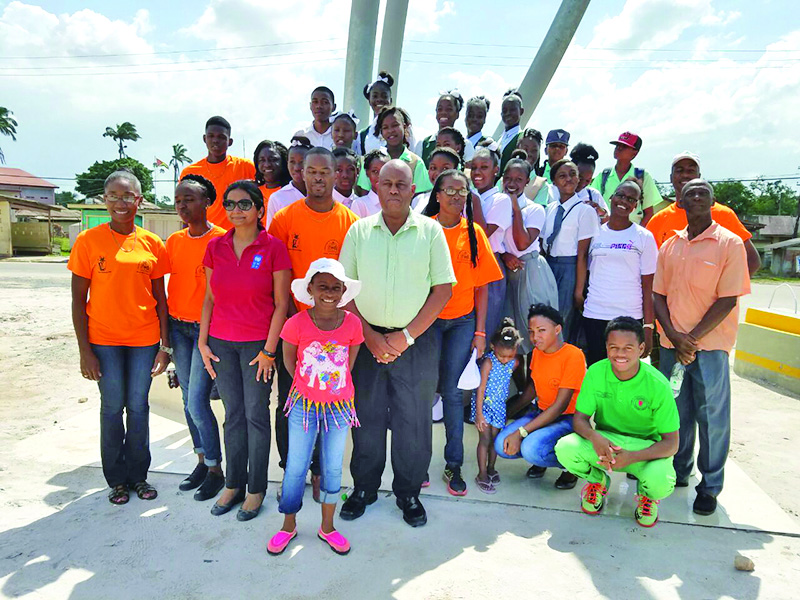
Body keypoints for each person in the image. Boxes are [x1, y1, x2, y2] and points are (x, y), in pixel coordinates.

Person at [338, 159, 456, 527]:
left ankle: (408, 493)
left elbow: (442, 290)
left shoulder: (431, 232)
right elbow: (345, 290)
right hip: (366, 337)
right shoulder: (358, 232)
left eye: (400, 184)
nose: (392, 189)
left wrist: (404, 337)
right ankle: (365, 488)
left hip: (416, 339)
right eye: (386, 182)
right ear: (376, 187)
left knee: (413, 420)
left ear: (413, 190)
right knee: (367, 417)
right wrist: (371, 337)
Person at [68, 169, 170, 505]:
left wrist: (164, 347)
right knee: (112, 408)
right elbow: (77, 300)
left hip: (143, 340)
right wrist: (85, 351)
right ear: (104, 200)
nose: (121, 203)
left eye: (128, 196)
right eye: (114, 196)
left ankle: (139, 476)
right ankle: (117, 480)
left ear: (139, 200)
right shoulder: (88, 241)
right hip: (103, 340)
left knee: (138, 408)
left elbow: (161, 298)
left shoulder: (152, 243)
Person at [653, 178, 750, 516]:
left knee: (712, 418)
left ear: (712, 202)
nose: (695, 197)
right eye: (689, 193)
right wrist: (674, 336)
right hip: (671, 345)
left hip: (709, 348)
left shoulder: (729, 243)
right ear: (679, 202)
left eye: (702, 193)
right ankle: (678, 472)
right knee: (675, 414)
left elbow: (728, 298)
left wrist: (690, 340)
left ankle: (709, 486)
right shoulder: (670, 246)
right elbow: (657, 295)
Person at [198, 181, 292, 521]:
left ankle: (256, 489)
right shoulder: (216, 247)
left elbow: (282, 305)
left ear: (259, 210)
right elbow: (209, 298)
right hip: (221, 344)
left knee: (255, 414)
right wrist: (202, 342)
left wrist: (269, 350)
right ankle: (233, 483)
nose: (236, 210)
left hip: (257, 347)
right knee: (232, 415)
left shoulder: (274, 248)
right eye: (230, 204)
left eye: (244, 204)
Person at [269, 147, 360, 487]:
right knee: (291, 397)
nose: (318, 177)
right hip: (295, 325)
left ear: (337, 176)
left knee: (330, 398)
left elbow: (351, 280)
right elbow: (277, 277)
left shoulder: (350, 222)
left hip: (337, 329)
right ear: (301, 174)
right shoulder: (285, 220)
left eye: (325, 171)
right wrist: (296, 318)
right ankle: (292, 468)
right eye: (312, 171)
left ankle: (323, 472)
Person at [267, 259, 364, 557]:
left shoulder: (352, 323)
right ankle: (288, 525)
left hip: (339, 407)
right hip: (303, 407)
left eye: (336, 287)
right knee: (296, 466)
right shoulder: (295, 324)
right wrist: (310, 387)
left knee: (333, 466)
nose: (330, 293)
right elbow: (289, 362)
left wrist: (331, 390)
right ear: (310, 289)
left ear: (343, 291)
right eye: (323, 286)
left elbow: (348, 363)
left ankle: (327, 527)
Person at [422, 169, 503, 496]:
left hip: (461, 322)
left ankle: (453, 463)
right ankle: (418, 462)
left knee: (455, 393)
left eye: (462, 191)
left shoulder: (474, 234)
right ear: (437, 195)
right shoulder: (423, 229)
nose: (456, 196)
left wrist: (481, 330)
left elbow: (482, 287)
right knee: (425, 392)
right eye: (449, 190)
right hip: (426, 322)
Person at [555, 318, 680, 528]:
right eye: (614, 347)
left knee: (661, 481)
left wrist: (631, 457)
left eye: (628, 348)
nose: (620, 354)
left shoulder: (658, 384)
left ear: (641, 349)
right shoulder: (595, 372)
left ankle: (647, 496)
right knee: (565, 448)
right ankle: (598, 482)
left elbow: (671, 444)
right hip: (608, 443)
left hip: (646, 447)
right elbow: (580, 420)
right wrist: (596, 437)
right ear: (606, 347)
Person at [166, 175, 227, 500]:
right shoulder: (174, 242)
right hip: (179, 329)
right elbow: (166, 292)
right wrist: (165, 343)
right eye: (178, 200)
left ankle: (216, 469)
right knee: (188, 400)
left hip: (207, 331)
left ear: (206, 203)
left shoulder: (221, 240)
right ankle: (202, 461)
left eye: (188, 199)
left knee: (196, 401)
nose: (182, 206)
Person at [495, 304, 584, 488]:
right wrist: (504, 414)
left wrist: (521, 432)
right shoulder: (537, 353)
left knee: (530, 449)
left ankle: (573, 465)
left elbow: (559, 407)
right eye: (531, 331)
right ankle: (542, 452)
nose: (535, 337)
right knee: (501, 445)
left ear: (557, 329)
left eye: (541, 330)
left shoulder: (573, 355)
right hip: (541, 412)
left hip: (568, 419)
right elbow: (531, 390)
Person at [646, 152, 761, 275]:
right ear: (671, 177)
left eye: (691, 170)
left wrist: (729, 289)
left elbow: (752, 260)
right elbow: (648, 266)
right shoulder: (658, 220)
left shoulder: (723, 214)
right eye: (680, 170)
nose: (685, 175)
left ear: (699, 176)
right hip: (672, 293)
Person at [583, 180, 658, 366]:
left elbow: (649, 286)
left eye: (631, 199)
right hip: (595, 313)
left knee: (624, 369)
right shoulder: (594, 233)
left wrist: (648, 327)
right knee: (597, 369)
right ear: (611, 197)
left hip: (629, 316)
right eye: (621, 195)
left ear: (635, 206)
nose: (624, 201)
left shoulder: (644, 237)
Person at [499, 156, 559, 353]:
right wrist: (505, 255)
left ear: (527, 181)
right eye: (508, 178)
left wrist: (515, 208)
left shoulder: (534, 210)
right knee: (509, 332)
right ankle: (519, 383)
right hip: (505, 271)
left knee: (535, 330)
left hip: (530, 270)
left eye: (518, 179)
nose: (512, 184)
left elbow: (522, 243)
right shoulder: (495, 208)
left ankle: (539, 380)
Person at [540, 159, 599, 343]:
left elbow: (582, 255)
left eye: (573, 174)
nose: (568, 179)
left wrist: (578, 291)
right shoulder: (550, 208)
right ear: (554, 182)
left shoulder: (585, 211)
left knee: (562, 321)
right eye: (562, 176)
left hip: (571, 268)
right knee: (545, 318)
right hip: (549, 266)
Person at [472, 318, 523, 494]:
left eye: (509, 355)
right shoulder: (489, 362)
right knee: (484, 440)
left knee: (495, 440)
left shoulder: (514, 362)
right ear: (493, 347)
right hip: (484, 407)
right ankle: (482, 473)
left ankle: (492, 468)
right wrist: (479, 414)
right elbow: (480, 389)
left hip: (499, 408)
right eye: (502, 355)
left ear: (515, 351)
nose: (505, 359)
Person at [181, 116, 256, 230]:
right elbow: (186, 210)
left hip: (237, 238)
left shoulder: (245, 166)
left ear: (230, 142)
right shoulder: (191, 172)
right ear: (204, 138)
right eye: (211, 136)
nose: (215, 140)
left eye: (221, 137)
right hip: (205, 238)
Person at [471, 146, 512, 339]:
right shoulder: (467, 195)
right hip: (467, 265)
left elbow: (482, 235)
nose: (477, 173)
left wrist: (474, 201)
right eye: (474, 167)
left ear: (496, 170)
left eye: (484, 167)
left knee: (484, 329)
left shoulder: (500, 199)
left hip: (490, 265)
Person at [354, 106, 431, 197]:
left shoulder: (416, 162)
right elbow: (365, 195)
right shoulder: (371, 161)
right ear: (381, 132)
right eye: (385, 127)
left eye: (395, 125)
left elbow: (419, 199)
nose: (390, 131)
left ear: (404, 127)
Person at [591, 132, 661, 227]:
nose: (618, 148)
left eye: (624, 146)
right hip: (606, 232)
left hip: (632, 234)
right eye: (617, 145)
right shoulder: (604, 175)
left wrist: (638, 234)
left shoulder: (642, 176)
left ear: (635, 153)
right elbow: (593, 202)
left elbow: (648, 213)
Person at [264, 136, 312, 229]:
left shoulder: (324, 194)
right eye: (292, 162)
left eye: (302, 162)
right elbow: (272, 236)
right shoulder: (277, 198)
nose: (297, 167)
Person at [417, 91, 475, 166]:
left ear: (457, 114)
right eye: (440, 109)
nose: (443, 112)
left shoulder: (466, 145)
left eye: (449, 109)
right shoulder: (423, 144)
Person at [354, 71, 394, 156]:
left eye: (384, 96)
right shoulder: (362, 136)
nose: (379, 99)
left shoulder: (401, 130)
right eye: (375, 96)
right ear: (369, 100)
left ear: (390, 100)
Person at [570, 142, 608, 222]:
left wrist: (600, 211)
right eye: (580, 177)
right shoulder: (557, 192)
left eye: (588, 180)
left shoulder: (593, 195)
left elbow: (608, 222)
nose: (583, 183)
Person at [253, 140, 291, 220]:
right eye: (262, 160)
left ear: (284, 162)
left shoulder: (291, 191)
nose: (267, 165)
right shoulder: (253, 193)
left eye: (273, 159)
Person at [350, 149, 389, 218]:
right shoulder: (360, 204)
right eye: (375, 171)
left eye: (384, 170)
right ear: (367, 173)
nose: (380, 175)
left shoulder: (395, 201)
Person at [498, 89, 524, 172]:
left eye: (512, 110)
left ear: (521, 111)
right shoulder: (499, 140)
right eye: (504, 111)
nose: (508, 113)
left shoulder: (522, 138)